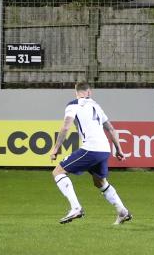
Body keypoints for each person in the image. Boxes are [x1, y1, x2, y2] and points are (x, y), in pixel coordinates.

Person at [49, 81, 132, 225]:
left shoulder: (73, 104)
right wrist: (119, 150)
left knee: (58, 172)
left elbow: (65, 127)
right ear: (89, 92)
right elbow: (111, 129)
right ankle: (123, 212)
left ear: (76, 92)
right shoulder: (97, 106)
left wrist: (56, 148)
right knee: (100, 181)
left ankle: (75, 208)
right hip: (104, 149)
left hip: (91, 148)